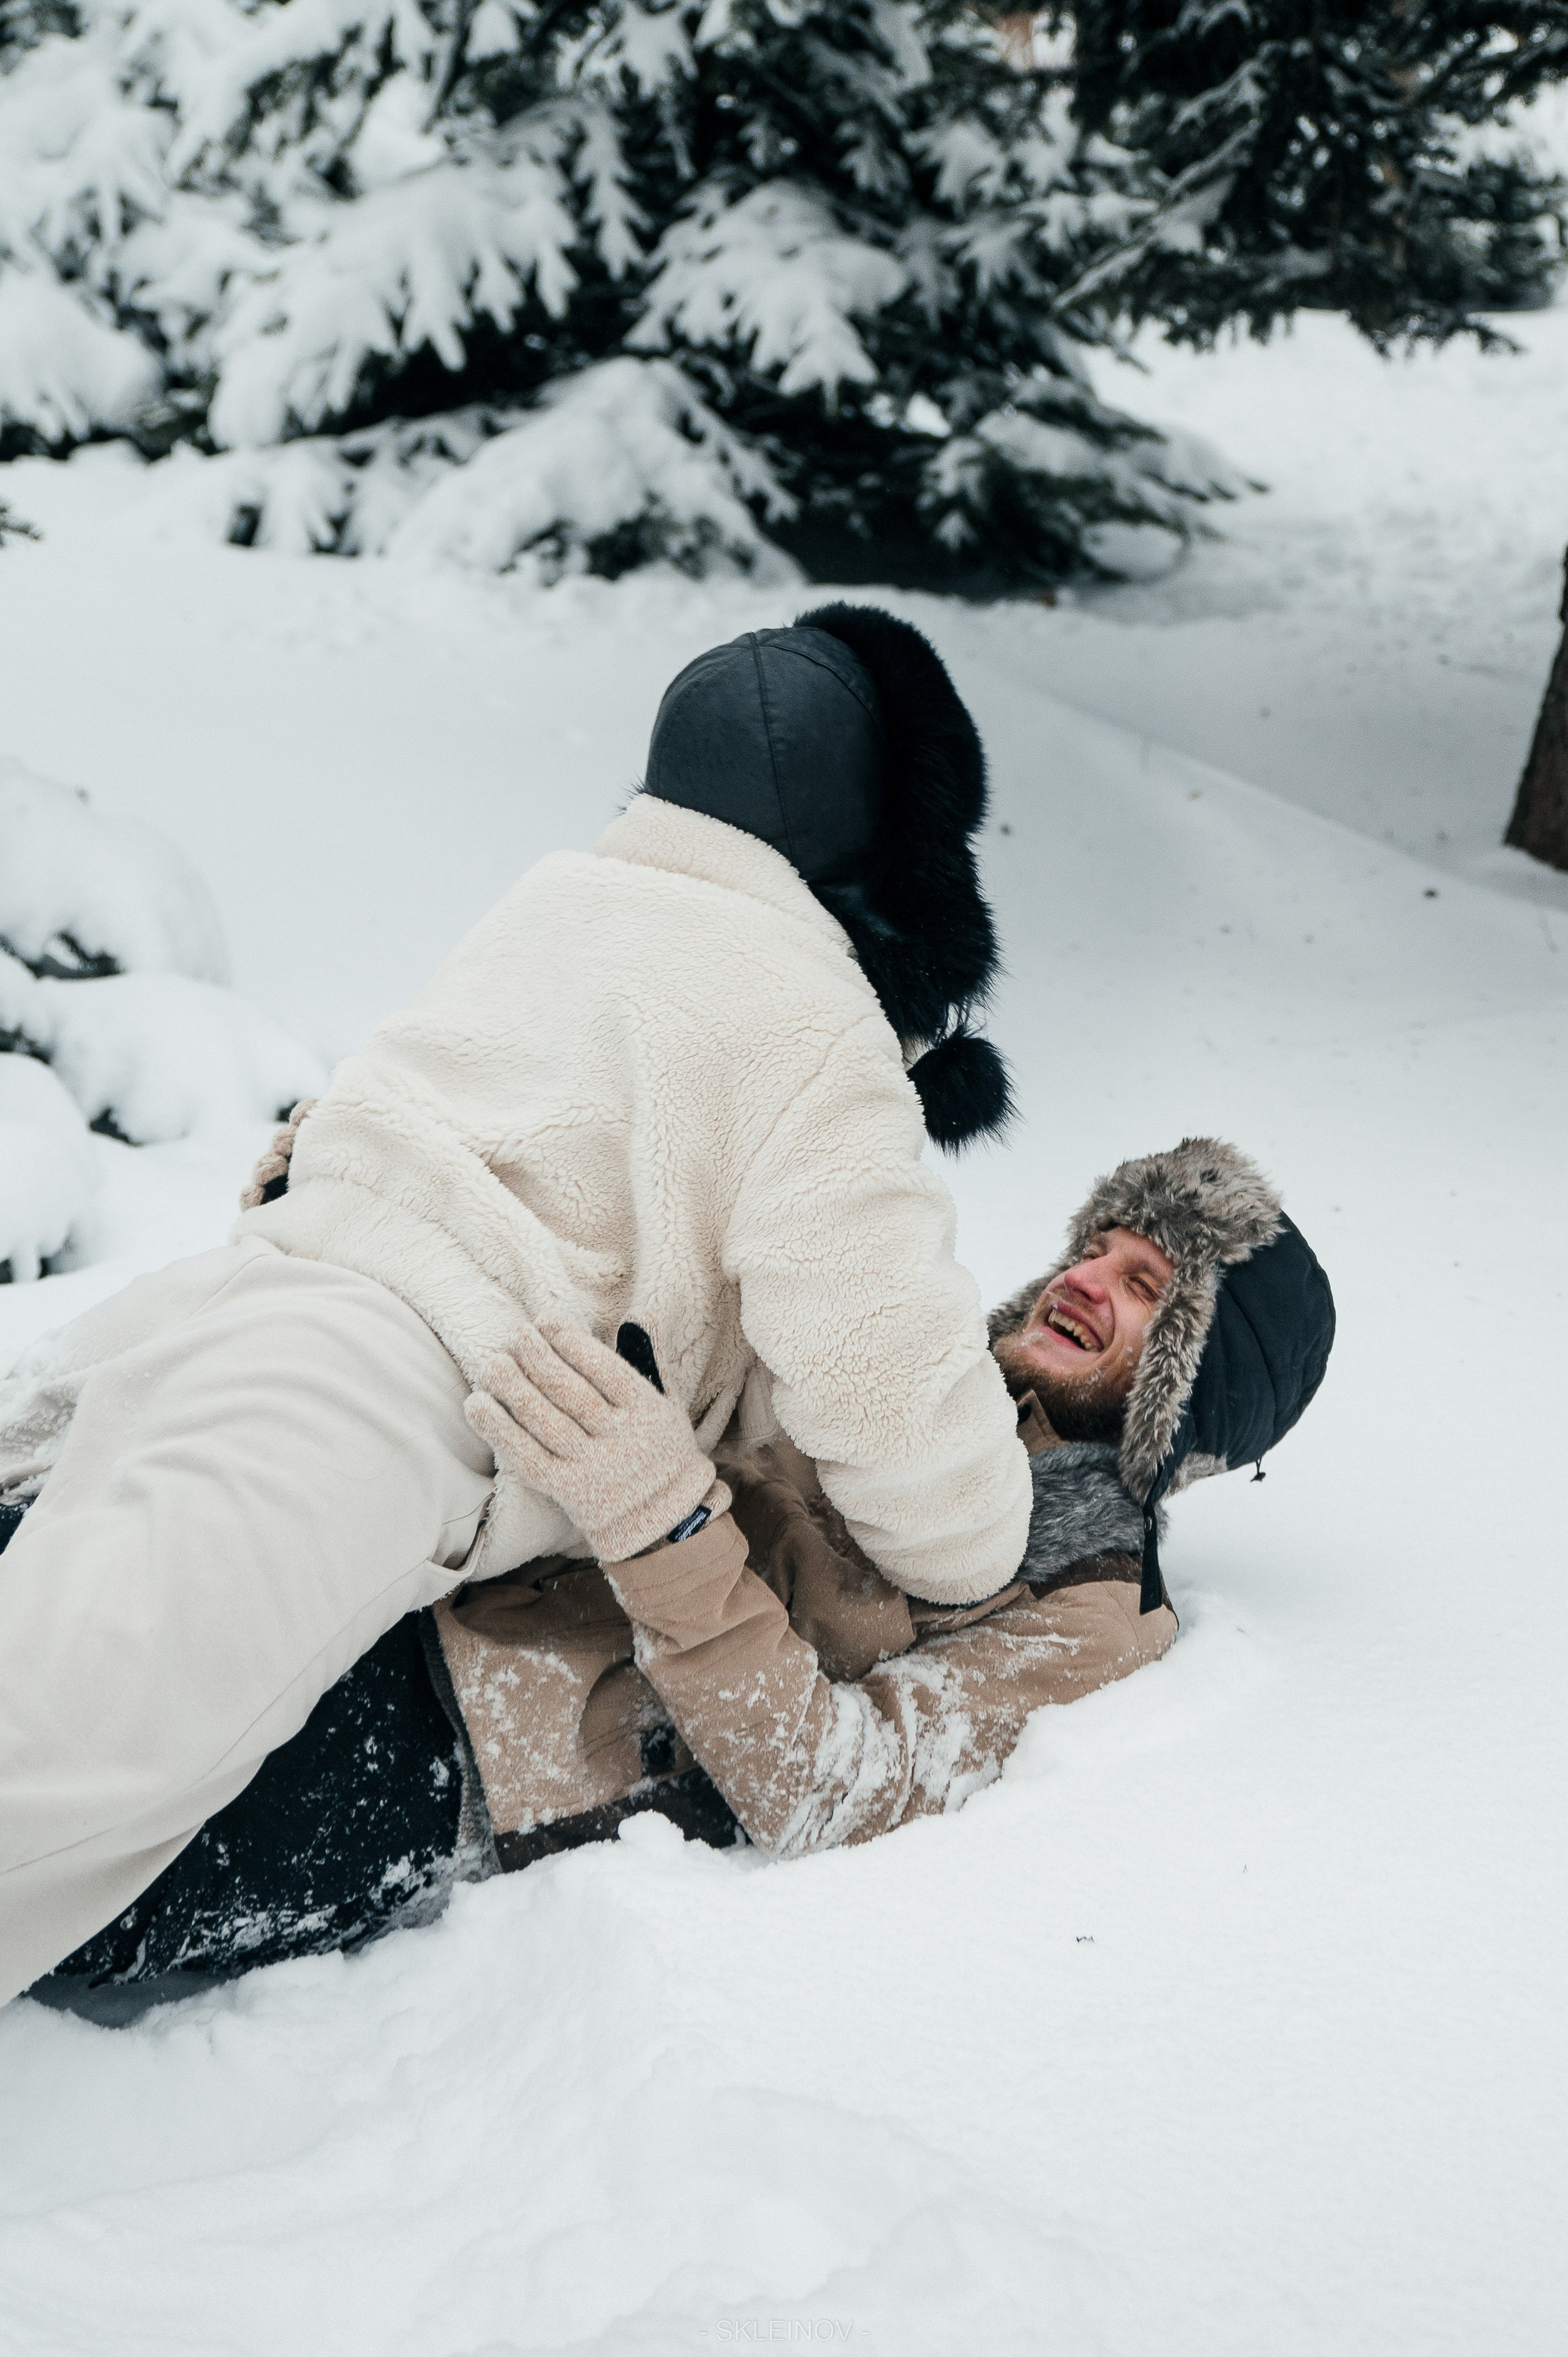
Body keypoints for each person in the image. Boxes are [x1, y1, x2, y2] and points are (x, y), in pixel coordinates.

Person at [0, 606, 1038, 2007]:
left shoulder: (554, 900)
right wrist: (989, 1504)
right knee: (57, 1751)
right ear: (896, 846)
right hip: (374, 1405)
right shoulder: (813, 1024)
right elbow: (923, 1474)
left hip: (223, 1297)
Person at [32, 1139, 1333, 2005]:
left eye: (1143, 1282)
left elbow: (840, 1786)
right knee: (46, 1590)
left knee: (70, 1879)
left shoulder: (1089, 1607)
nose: (1083, 1277)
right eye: (1094, 1245)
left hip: (473, 1742)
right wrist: (380, 1233)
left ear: (1190, 1385)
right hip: (427, 1536)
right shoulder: (910, 1364)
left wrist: (664, 1528)